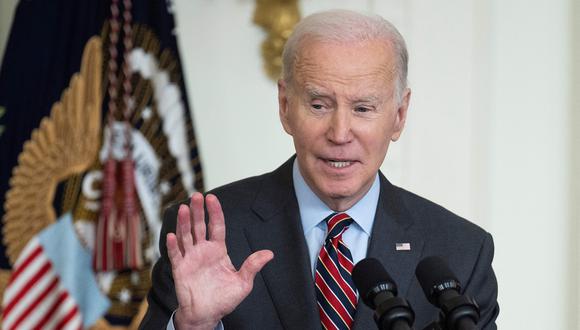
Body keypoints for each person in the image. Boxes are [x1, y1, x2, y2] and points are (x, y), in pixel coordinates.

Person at [140, 9, 499, 330]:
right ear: (285, 106)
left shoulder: (461, 252)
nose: (340, 133)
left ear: (399, 115)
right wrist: (194, 325)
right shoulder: (204, 232)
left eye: (363, 108)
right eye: (318, 104)